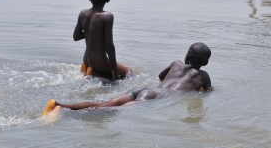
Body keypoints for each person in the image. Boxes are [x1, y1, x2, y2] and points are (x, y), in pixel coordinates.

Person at [45, 43, 212, 112]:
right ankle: (64, 113)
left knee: (104, 104)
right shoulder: (203, 76)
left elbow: (161, 77)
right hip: (158, 97)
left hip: (148, 90)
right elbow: (208, 92)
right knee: (108, 111)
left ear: (187, 56)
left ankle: (59, 105)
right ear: (205, 62)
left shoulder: (176, 63)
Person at [74, 0, 129, 81]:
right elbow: (109, 45)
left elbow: (76, 37)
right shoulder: (107, 17)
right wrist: (115, 71)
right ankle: (96, 72)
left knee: (109, 75)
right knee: (129, 73)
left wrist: (90, 33)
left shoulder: (83, 14)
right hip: (100, 62)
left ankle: (92, 71)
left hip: (86, 59)